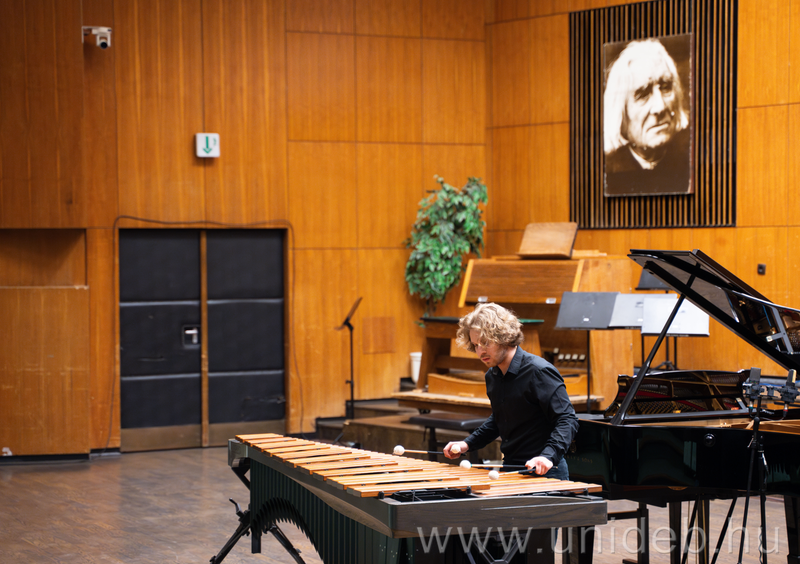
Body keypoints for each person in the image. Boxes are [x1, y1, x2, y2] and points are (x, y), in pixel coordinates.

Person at [443, 303, 578, 479]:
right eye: (476, 345)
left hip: (546, 471)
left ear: (503, 337)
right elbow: (500, 419)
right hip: (511, 469)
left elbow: (567, 419)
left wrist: (547, 456)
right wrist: (467, 444)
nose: (480, 352)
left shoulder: (539, 372)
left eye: (485, 343)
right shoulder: (493, 376)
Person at [603, 38, 691, 196]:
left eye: (666, 87)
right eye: (643, 94)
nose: (660, 107)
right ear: (621, 113)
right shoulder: (606, 174)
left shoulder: (692, 161)